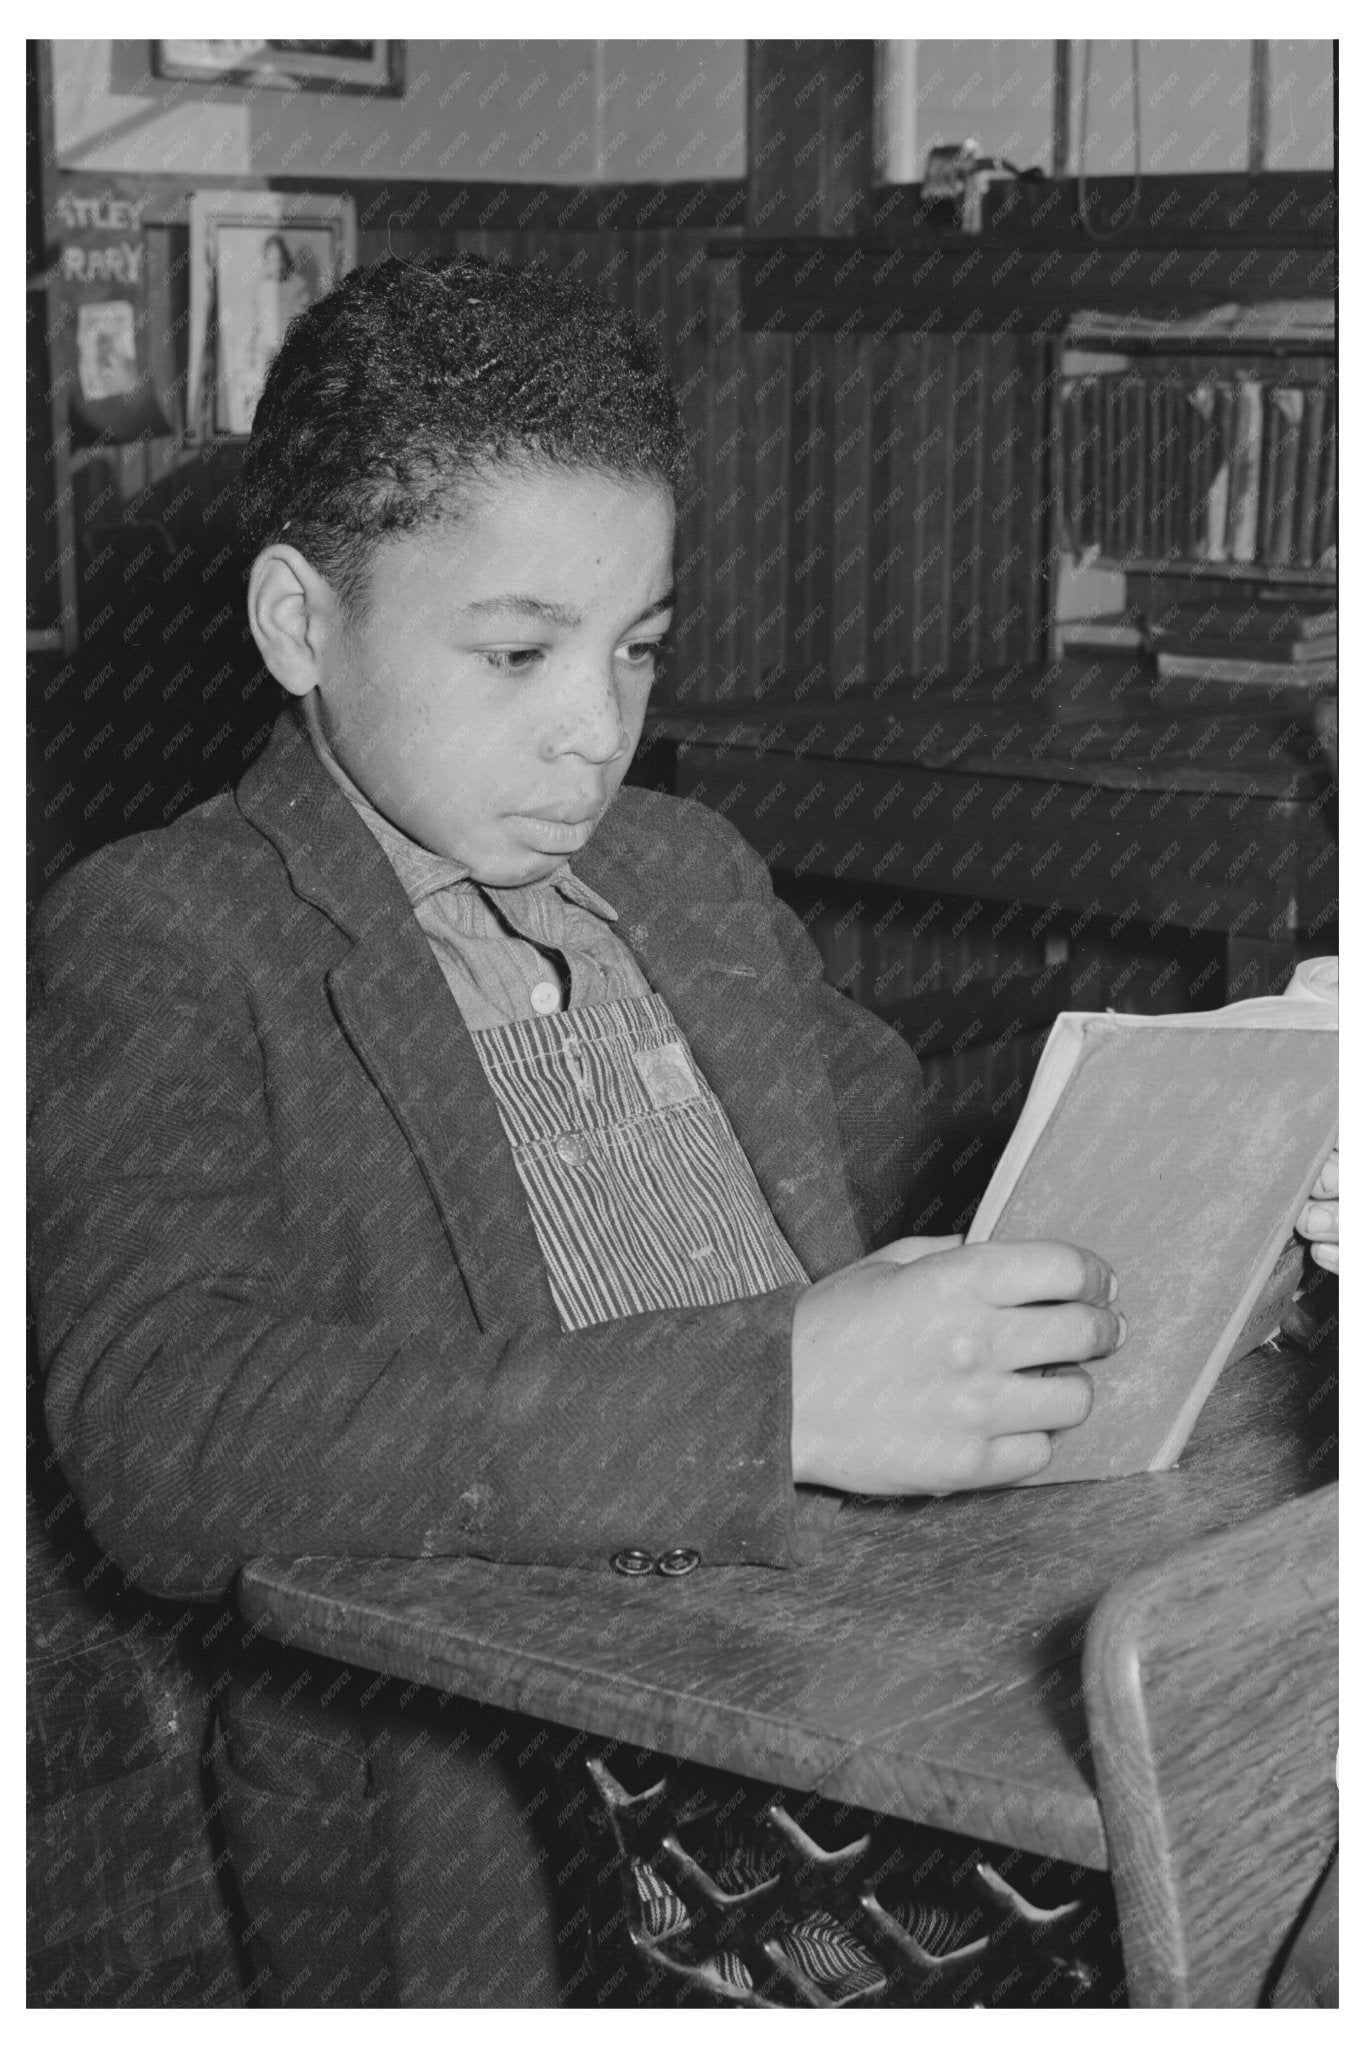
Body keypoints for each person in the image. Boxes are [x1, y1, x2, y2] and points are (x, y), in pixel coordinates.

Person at [26, 254, 1333, 2006]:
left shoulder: (680, 871)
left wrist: (1221, 1166)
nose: (595, 731)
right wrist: (775, 1395)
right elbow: (158, 1436)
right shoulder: (165, 935)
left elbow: (918, 1171)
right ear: (299, 624)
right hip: (528, 1821)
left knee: (1264, 1819)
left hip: (846, 1706)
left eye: (635, 647)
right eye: (516, 653)